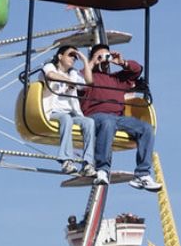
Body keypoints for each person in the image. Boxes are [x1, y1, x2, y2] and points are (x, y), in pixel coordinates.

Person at [81, 44, 162, 192]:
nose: (104, 60)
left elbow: (137, 69)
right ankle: (102, 169)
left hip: (118, 118)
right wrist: (92, 62)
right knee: (108, 122)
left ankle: (142, 174)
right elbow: (79, 79)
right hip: (95, 116)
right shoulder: (87, 76)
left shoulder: (117, 79)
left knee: (146, 128)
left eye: (107, 56)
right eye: (100, 56)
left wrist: (122, 62)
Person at [42, 45, 95, 175]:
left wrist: (84, 60)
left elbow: (88, 82)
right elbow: (50, 75)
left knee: (89, 122)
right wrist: (68, 81)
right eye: (70, 55)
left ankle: (88, 163)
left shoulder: (74, 73)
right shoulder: (50, 66)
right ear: (60, 56)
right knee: (66, 119)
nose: (73, 59)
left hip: (72, 113)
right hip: (52, 111)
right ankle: (66, 160)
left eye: (75, 57)